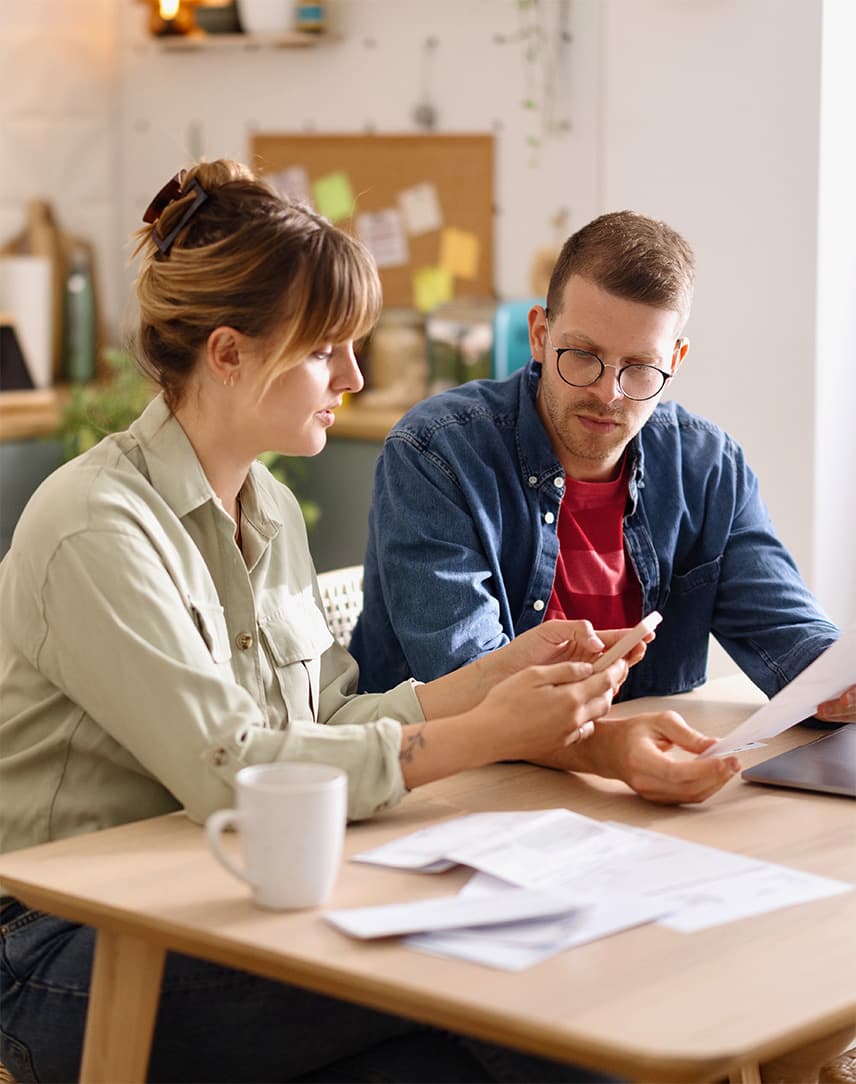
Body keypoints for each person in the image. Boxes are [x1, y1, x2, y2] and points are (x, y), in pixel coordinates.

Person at [0, 161, 650, 1084]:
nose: (353, 375)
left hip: (226, 888)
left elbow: (326, 719)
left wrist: (494, 676)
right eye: (324, 350)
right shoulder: (93, 526)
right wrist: (487, 733)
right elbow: (232, 771)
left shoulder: (265, 504)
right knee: (499, 989)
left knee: (456, 1059)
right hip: (66, 947)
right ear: (229, 353)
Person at [351, 210, 856, 805]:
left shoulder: (707, 465)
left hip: (623, 789)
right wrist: (611, 750)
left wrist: (841, 683)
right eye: (582, 355)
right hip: (440, 790)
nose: (607, 392)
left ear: (675, 361)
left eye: (639, 368)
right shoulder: (437, 453)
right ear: (540, 334)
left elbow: (796, 643)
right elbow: (468, 685)